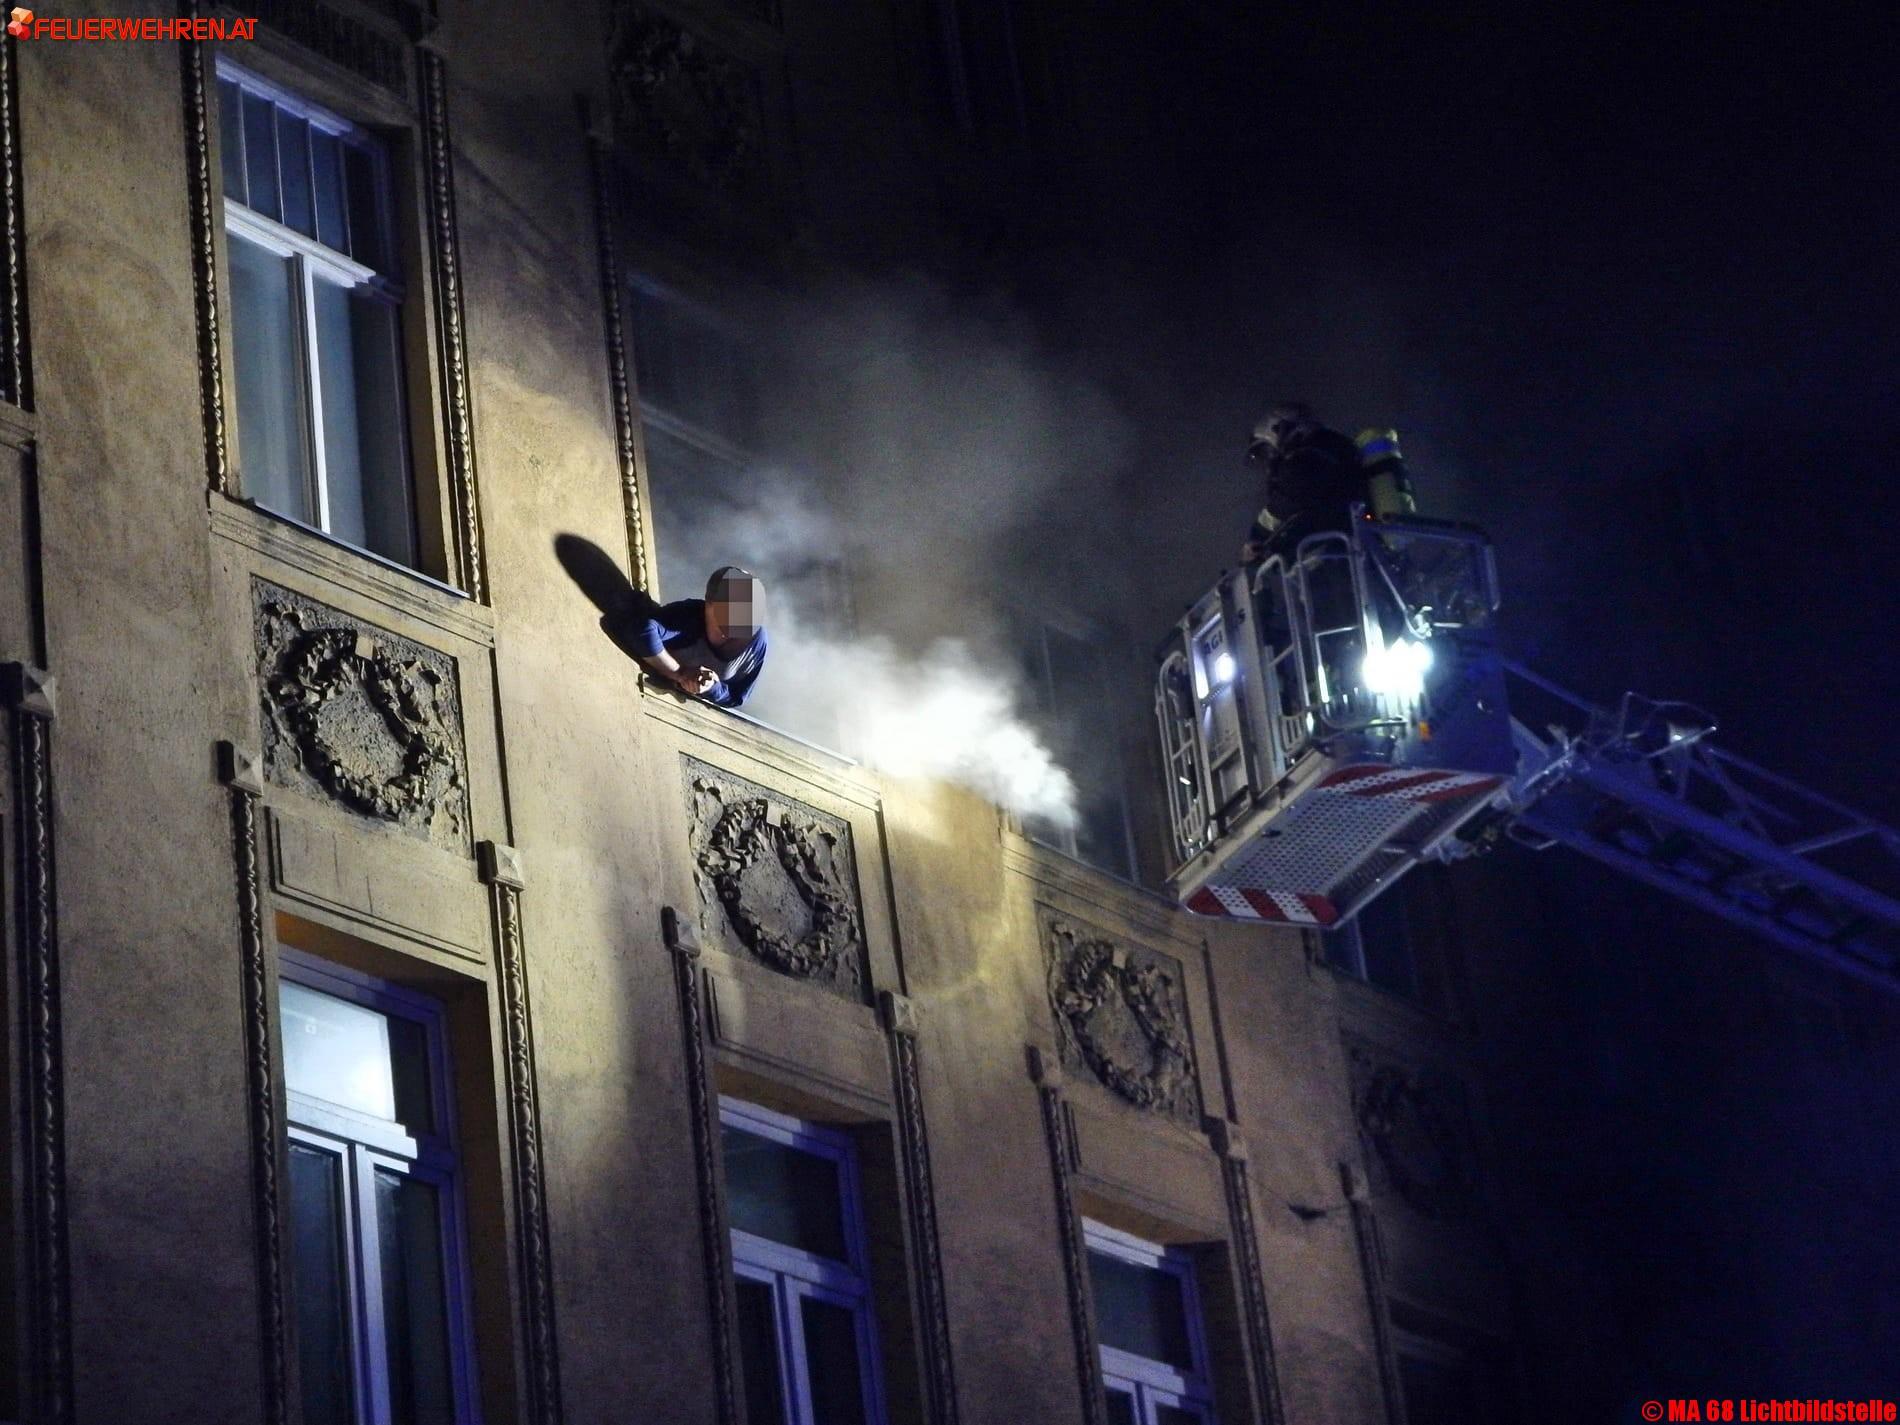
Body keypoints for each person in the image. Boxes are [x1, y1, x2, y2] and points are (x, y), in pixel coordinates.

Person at [1239, 401, 1368, 565]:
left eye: (1266, 450)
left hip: (1340, 557)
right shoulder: (1337, 449)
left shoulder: (1309, 457)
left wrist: (1257, 536)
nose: (1269, 459)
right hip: (1356, 550)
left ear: (1279, 429)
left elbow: (1288, 500)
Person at [632, 566, 768, 709]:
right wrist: (680, 673)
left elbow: (736, 696)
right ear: (710, 604)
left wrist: (712, 687)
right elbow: (641, 630)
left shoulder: (756, 641)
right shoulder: (689, 615)